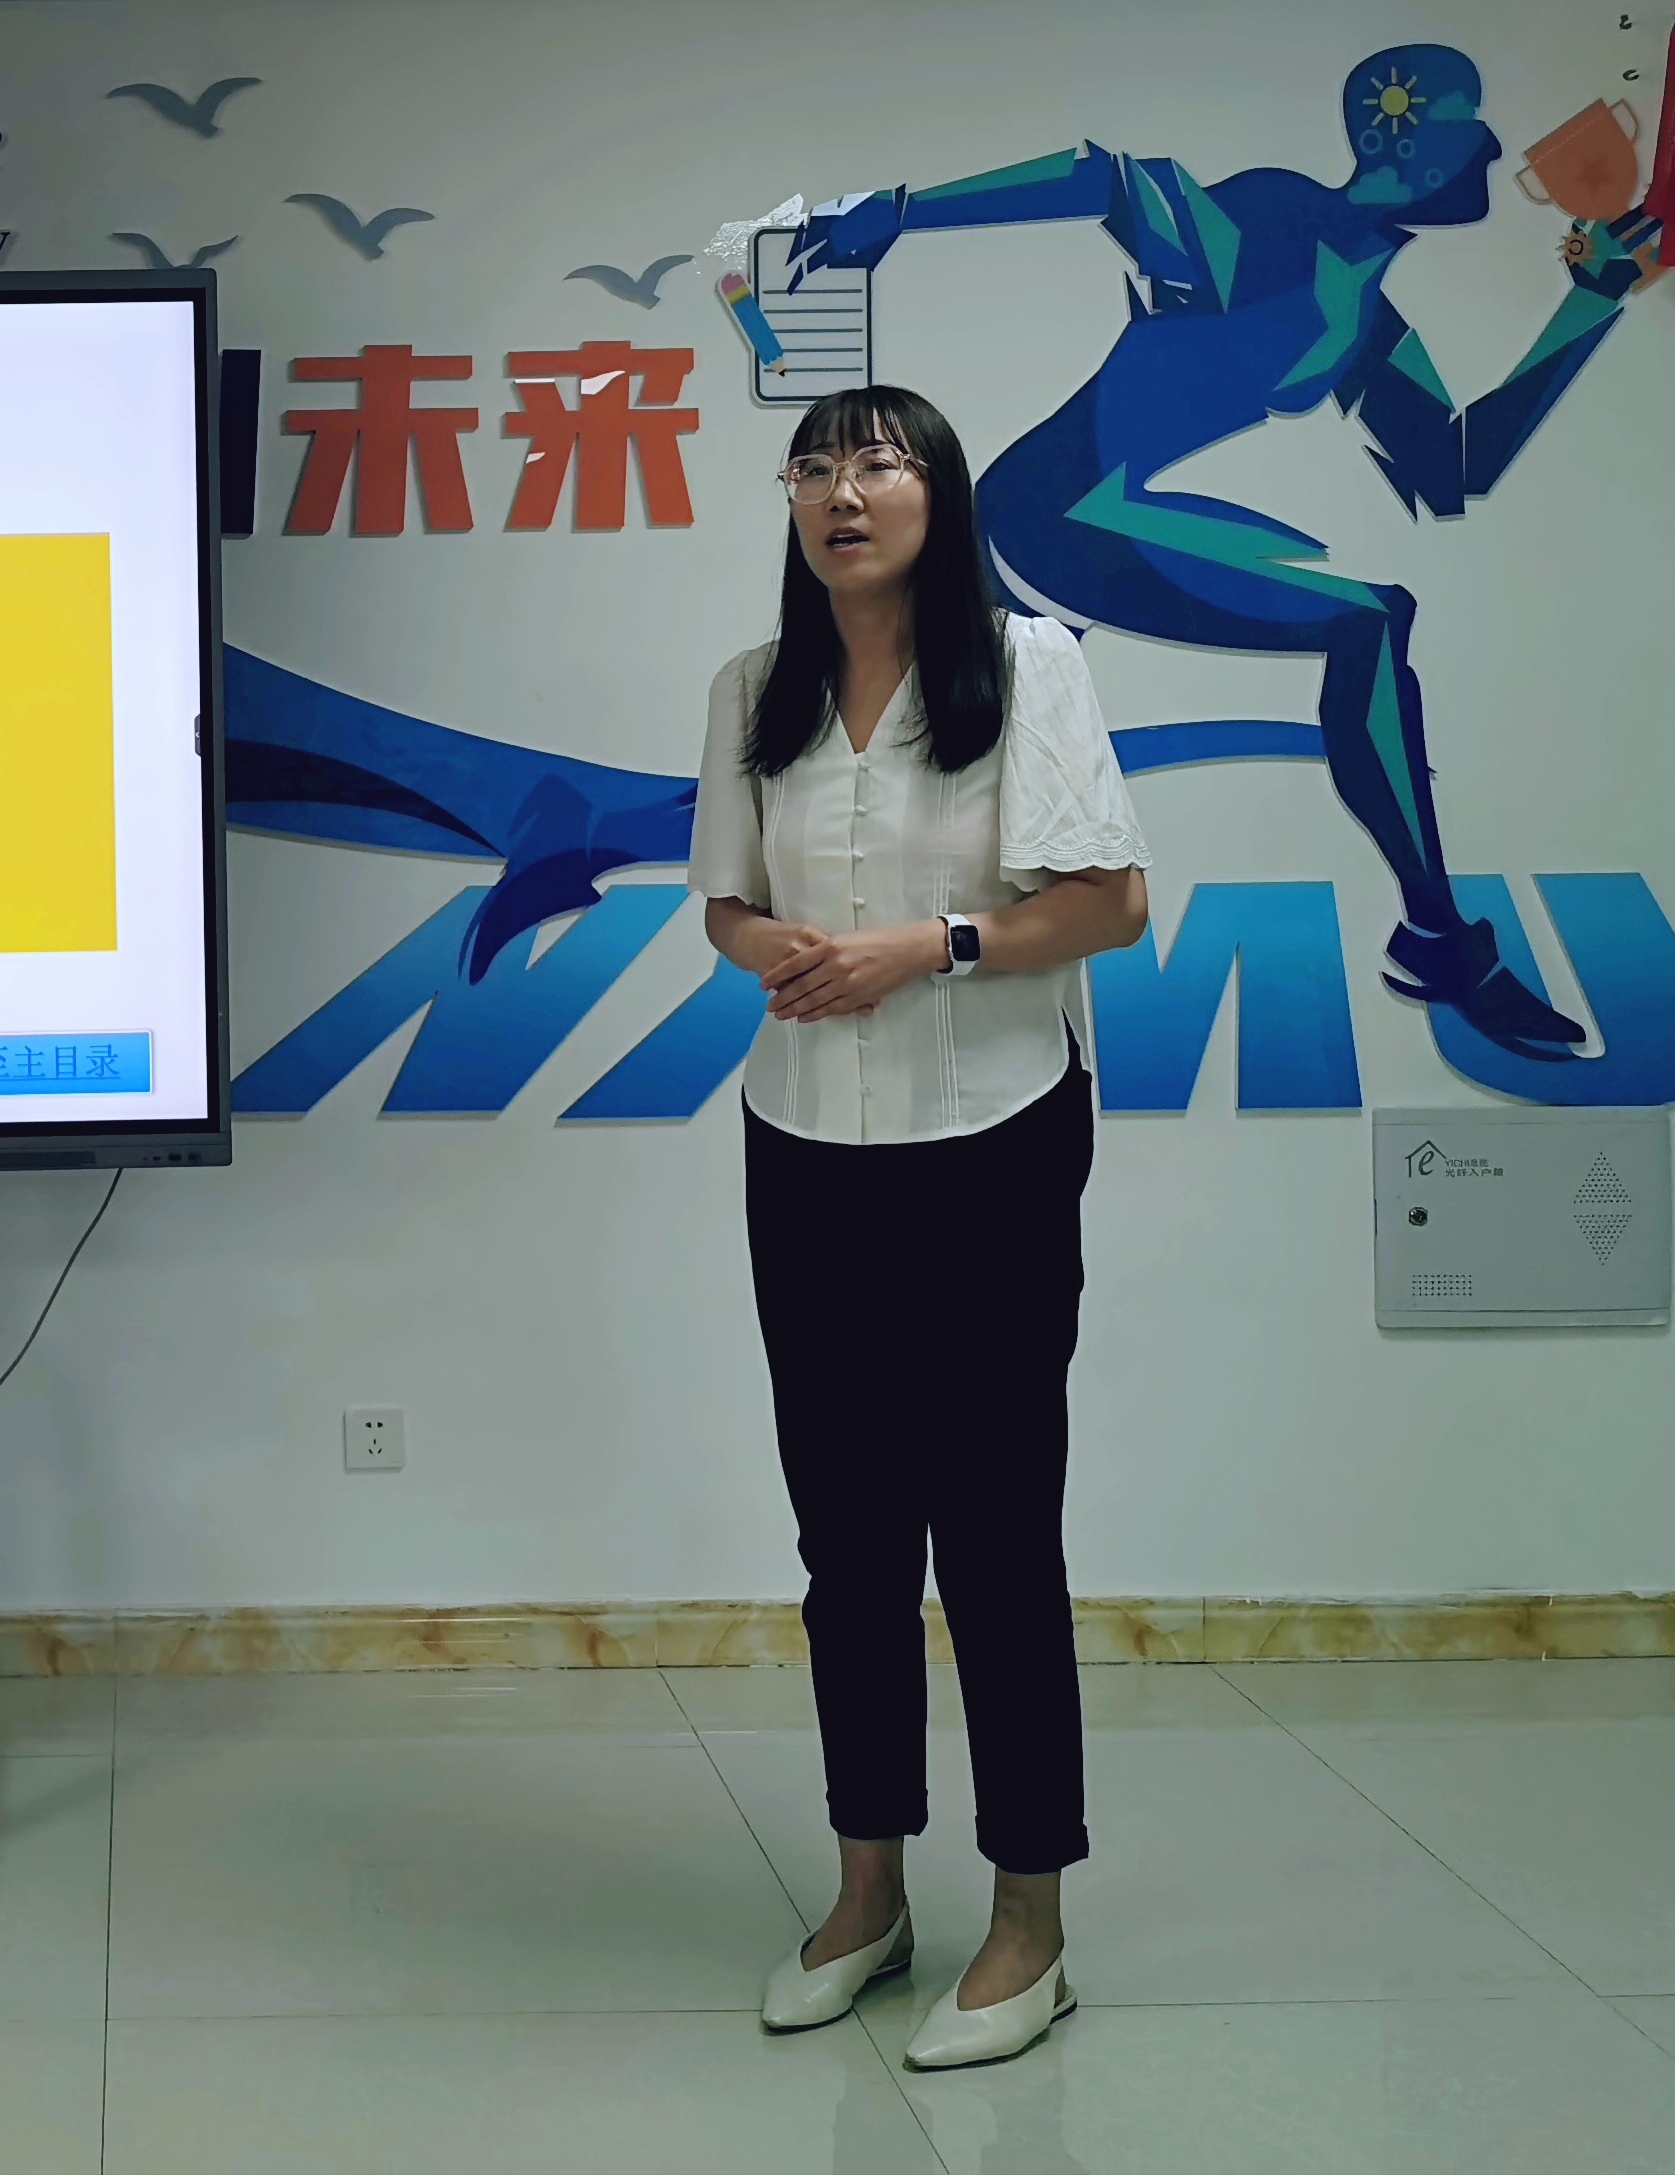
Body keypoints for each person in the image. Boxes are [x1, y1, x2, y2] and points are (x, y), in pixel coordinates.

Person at [784, 44, 1657, 1054]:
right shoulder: (1275, 217)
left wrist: (1591, 302)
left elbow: (1453, 465)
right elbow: (1102, 180)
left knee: (939, 747)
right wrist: (899, 211)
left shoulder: (1365, 315)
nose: (1493, 147)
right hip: (1061, 515)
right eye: (1469, 125)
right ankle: (1436, 941)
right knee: (1368, 623)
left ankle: (854, 920)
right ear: (1404, 144)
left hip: (1095, 520)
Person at [689, 385, 1150, 2071]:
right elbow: (726, 903)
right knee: (849, 1546)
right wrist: (775, 952)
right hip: (804, 1140)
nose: (840, 491)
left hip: (993, 1138)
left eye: (875, 463)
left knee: (997, 1538)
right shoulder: (753, 689)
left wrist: (921, 948)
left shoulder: (1029, 670)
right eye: (812, 466)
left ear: (937, 496)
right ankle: (866, 1889)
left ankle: (1028, 1918)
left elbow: (1110, 904)